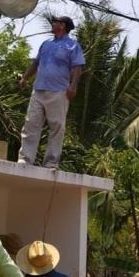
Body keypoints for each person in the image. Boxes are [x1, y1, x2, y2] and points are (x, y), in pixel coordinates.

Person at [18, 16, 85, 169]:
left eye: (55, 22)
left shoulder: (72, 46)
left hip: (59, 91)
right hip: (39, 89)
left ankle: (51, 162)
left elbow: (77, 68)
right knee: (30, 125)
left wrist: (73, 87)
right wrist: (25, 78)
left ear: (62, 25)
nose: (53, 24)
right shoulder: (46, 44)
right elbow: (36, 63)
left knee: (57, 127)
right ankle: (25, 159)